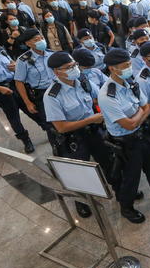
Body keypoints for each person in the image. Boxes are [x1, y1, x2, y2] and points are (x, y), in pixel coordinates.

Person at [97, 48, 150, 223]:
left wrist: (138, 116)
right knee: (131, 178)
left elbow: (145, 107)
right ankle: (127, 207)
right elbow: (128, 123)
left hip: (142, 134)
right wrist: (140, 114)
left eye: (130, 64)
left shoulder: (130, 83)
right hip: (126, 142)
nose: (129, 68)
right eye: (125, 66)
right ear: (113, 68)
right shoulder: (107, 95)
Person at [43, 51, 111, 218]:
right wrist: (90, 120)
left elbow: (98, 97)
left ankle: (118, 187)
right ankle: (82, 202)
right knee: (79, 173)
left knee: (108, 160)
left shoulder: (83, 81)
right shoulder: (52, 96)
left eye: (74, 65)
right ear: (57, 72)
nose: (74, 69)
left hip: (94, 130)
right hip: (74, 137)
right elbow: (61, 127)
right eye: (69, 67)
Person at [14, 29, 58, 147]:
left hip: (58, 90)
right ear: (28, 44)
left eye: (41, 38)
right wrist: (27, 102)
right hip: (41, 94)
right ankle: (57, 147)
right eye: (36, 40)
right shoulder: (23, 60)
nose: (41, 41)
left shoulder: (52, 54)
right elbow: (19, 82)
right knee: (50, 124)